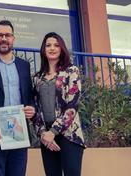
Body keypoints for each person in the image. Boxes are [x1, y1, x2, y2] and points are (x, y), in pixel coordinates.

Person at [0, 20, 35, 176]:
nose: (3, 38)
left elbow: (29, 95)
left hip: (19, 133)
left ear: (13, 39)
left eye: (7, 35)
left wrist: (31, 108)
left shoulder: (24, 65)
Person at [33, 32, 85, 176]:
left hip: (69, 135)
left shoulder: (71, 71)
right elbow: (36, 109)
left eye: (56, 45)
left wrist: (53, 132)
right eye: (48, 45)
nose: (52, 48)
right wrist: (44, 133)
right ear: (43, 49)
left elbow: (72, 106)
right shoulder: (38, 78)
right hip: (47, 138)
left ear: (62, 48)